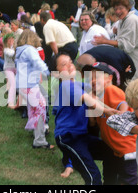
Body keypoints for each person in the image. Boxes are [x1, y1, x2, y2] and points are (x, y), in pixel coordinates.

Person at [51, 53, 119, 185]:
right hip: (68, 137)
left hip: (81, 137)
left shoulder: (77, 84)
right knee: (93, 177)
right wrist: (105, 110)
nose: (70, 66)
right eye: (64, 65)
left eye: (70, 62)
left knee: (111, 153)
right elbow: (87, 98)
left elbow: (97, 89)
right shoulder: (66, 85)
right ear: (56, 73)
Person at [83, 62, 138, 185]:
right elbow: (92, 124)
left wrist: (122, 115)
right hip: (112, 149)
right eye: (90, 78)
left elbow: (123, 104)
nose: (92, 81)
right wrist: (92, 106)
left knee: (127, 180)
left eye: (96, 77)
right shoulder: (98, 100)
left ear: (109, 78)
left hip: (126, 150)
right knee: (109, 178)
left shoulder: (111, 90)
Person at [15, 30, 54, 150]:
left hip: (23, 85)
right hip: (29, 85)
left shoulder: (19, 50)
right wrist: (48, 72)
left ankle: (37, 133)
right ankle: (40, 141)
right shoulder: (30, 50)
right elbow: (38, 62)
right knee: (40, 110)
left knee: (34, 109)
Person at [93, 0, 138, 80]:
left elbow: (125, 45)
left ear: (128, 8)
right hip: (130, 62)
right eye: (115, 9)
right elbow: (120, 40)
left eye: (120, 8)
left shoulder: (132, 20)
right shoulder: (122, 21)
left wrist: (104, 41)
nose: (118, 11)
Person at [2, 33, 17, 109]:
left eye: (12, 39)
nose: (11, 40)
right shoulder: (6, 49)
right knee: (13, 84)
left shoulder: (14, 47)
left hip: (16, 68)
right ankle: (10, 103)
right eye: (9, 39)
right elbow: (11, 54)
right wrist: (12, 46)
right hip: (8, 68)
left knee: (17, 84)